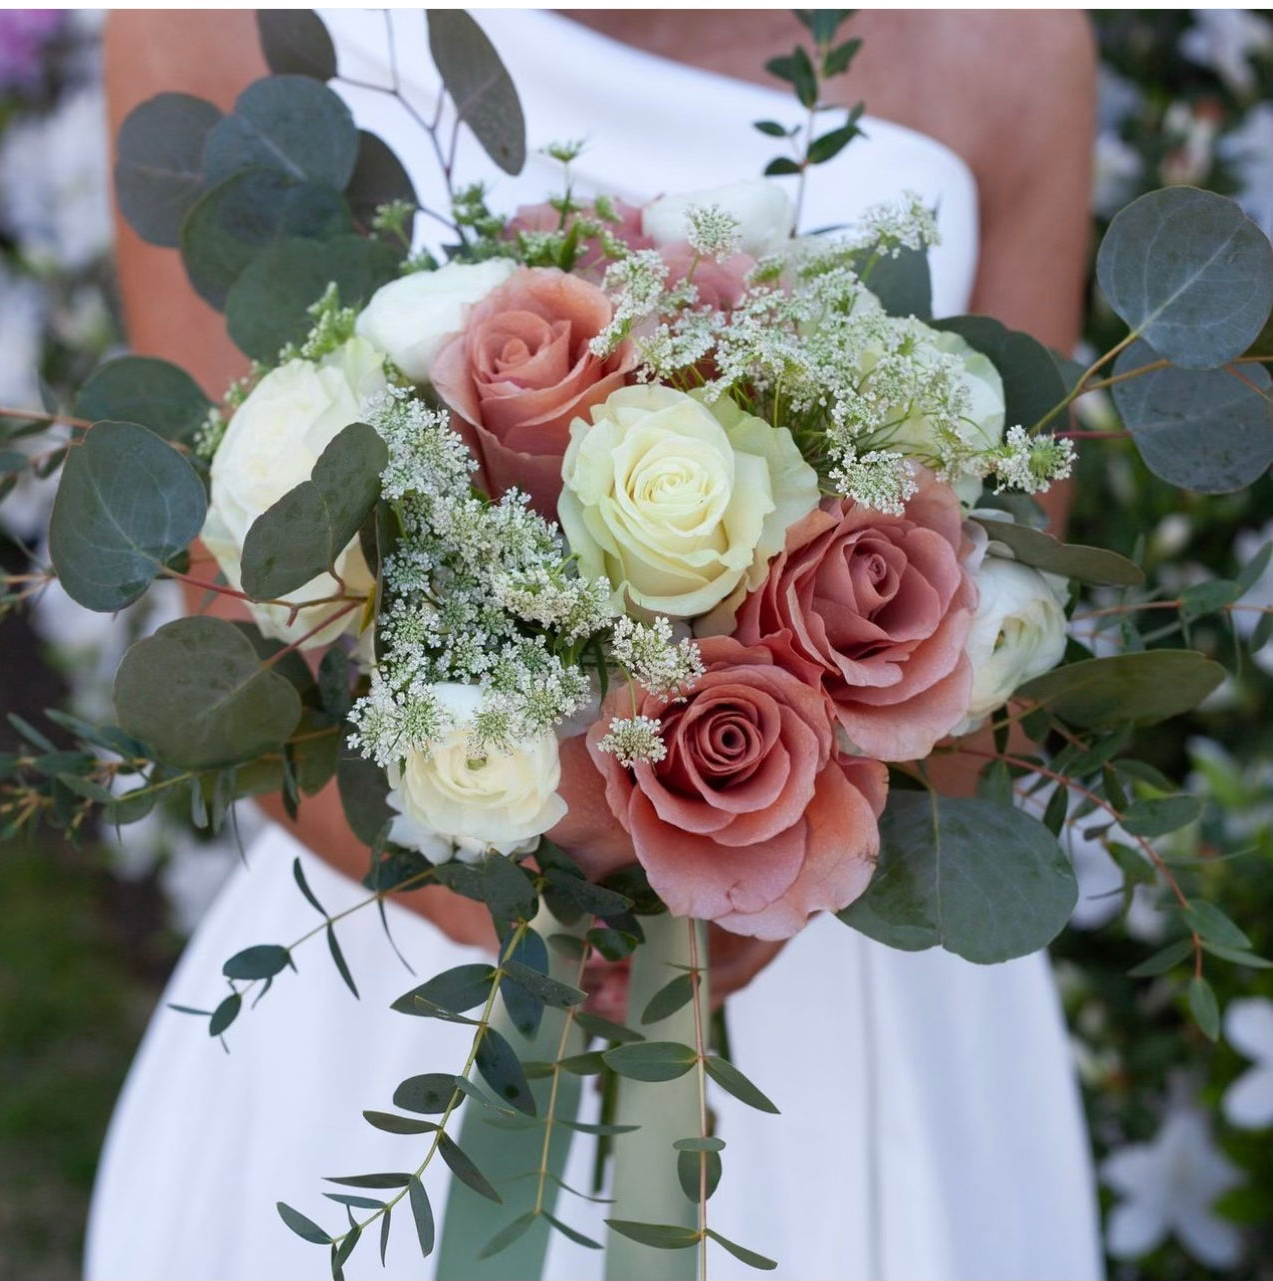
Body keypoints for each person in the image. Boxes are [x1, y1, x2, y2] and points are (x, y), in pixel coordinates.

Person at [88, 10, 1102, 1280]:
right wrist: (511, 891)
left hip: (844, 957)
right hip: (414, 954)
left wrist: (755, 872)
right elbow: (231, 612)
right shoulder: (202, 23)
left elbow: (1001, 625)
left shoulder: (1016, 43)